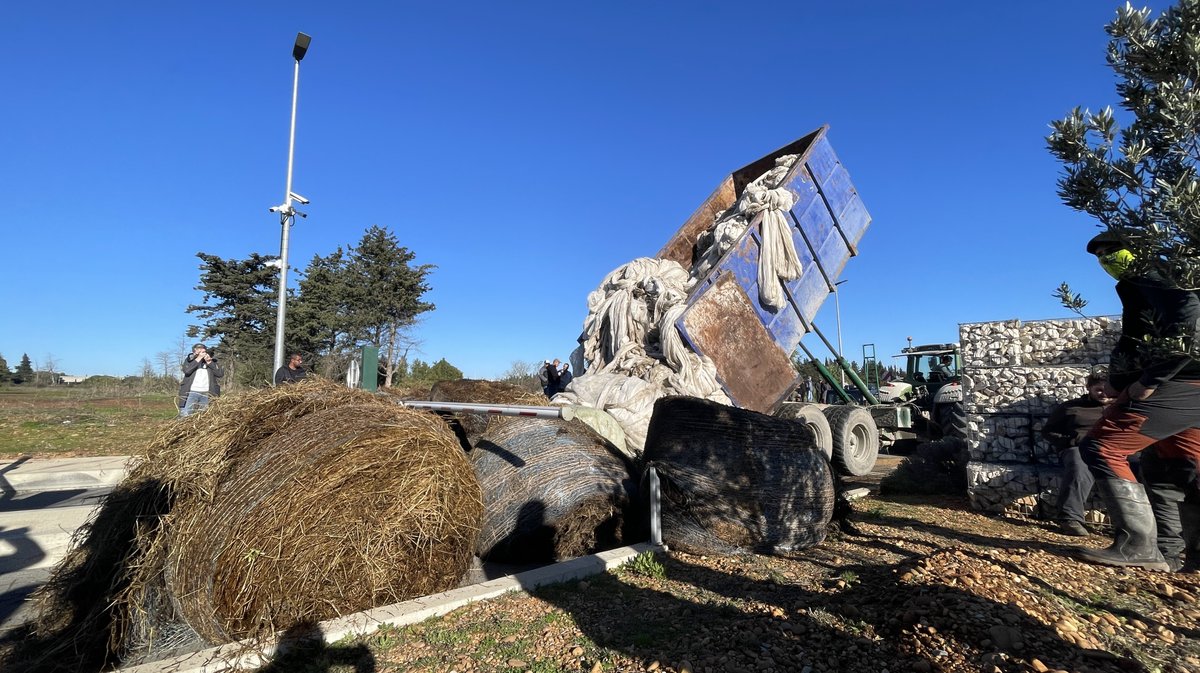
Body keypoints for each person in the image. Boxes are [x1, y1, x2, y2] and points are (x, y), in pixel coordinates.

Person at [1075, 230, 1200, 571]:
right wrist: (1118, 382)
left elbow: (1188, 321)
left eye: (1112, 250)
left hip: (1183, 377)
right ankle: (1177, 557)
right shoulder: (1136, 283)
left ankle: (1137, 545)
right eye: (1100, 255)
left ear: (1137, 248)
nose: (1106, 260)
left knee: (1103, 447)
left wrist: (1150, 380)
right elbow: (1132, 339)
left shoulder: (1157, 273)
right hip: (1186, 381)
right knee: (1173, 468)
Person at [1042, 372, 1112, 536]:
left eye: (1107, 389)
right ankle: (1070, 519)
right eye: (1099, 390)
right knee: (1079, 467)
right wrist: (1071, 440)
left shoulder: (1121, 407)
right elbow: (1048, 431)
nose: (1104, 394)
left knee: (1141, 469)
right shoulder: (1070, 407)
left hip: (1113, 449)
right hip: (1078, 448)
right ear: (1089, 389)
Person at [178, 343, 223, 417]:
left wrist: (209, 362)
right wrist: (198, 358)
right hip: (190, 392)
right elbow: (187, 371)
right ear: (194, 352)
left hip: (208, 394)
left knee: (206, 417)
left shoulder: (212, 361)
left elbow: (220, 374)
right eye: (198, 351)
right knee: (185, 415)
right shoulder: (190, 361)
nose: (201, 353)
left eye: (202, 351)